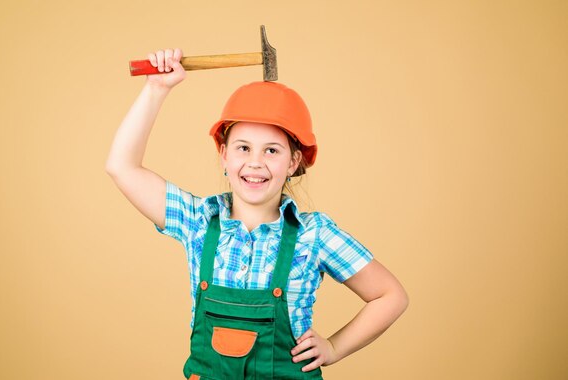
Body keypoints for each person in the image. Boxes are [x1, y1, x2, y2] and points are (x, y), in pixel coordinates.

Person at [106, 48, 409, 379]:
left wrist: (333, 348)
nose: (255, 162)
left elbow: (390, 296)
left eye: (272, 151)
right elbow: (121, 167)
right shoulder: (198, 221)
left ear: (293, 163)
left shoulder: (314, 235)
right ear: (224, 155)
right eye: (243, 147)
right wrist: (156, 89)